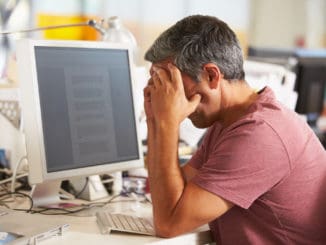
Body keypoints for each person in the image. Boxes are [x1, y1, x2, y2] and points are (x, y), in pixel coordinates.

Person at [143, 15, 326, 244]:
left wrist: (166, 122)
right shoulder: (229, 123)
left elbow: (170, 223)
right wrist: (153, 119)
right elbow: (171, 192)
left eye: (171, 84)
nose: (167, 95)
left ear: (211, 75)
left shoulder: (260, 133)